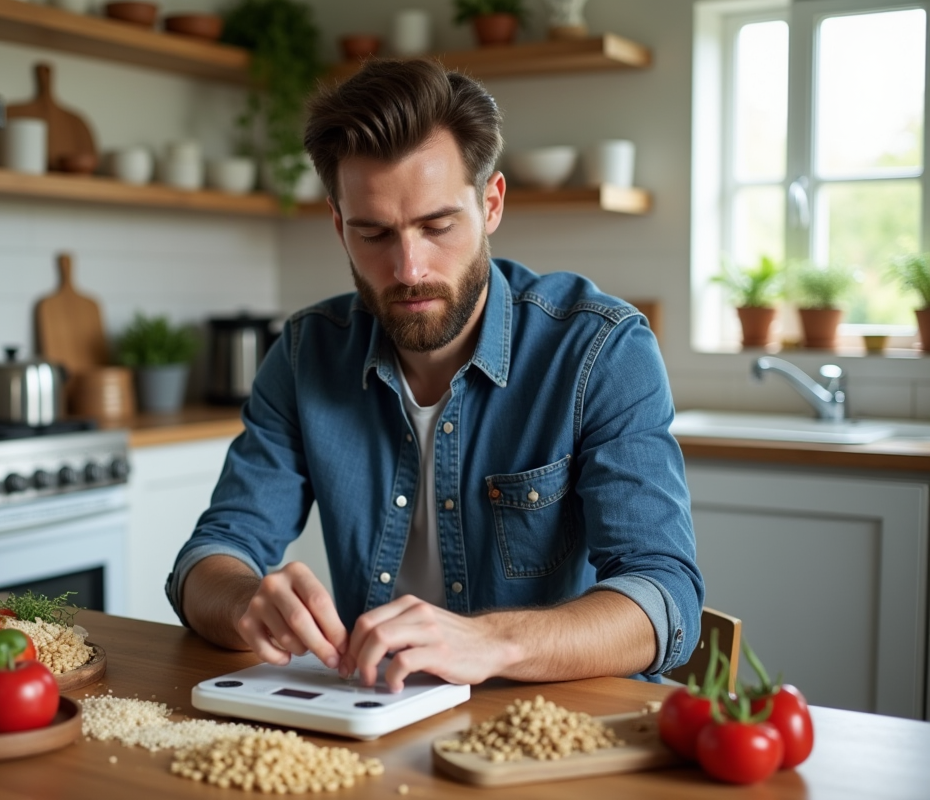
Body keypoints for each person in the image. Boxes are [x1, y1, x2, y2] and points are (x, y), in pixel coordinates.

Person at [166, 59, 702, 692]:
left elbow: (665, 599)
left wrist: (491, 642)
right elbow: (209, 557)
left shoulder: (600, 350)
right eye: (373, 234)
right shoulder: (307, 352)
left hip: (551, 731)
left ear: (491, 204)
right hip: (374, 723)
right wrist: (244, 601)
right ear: (340, 226)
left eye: (437, 226)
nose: (409, 267)